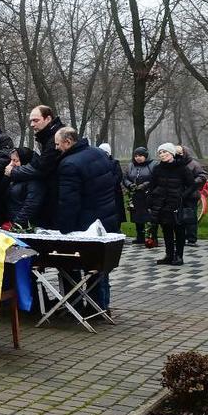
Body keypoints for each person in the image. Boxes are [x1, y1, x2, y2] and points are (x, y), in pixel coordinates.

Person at [54, 127, 121, 310]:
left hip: (85, 223)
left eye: (58, 144)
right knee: (99, 267)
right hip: (106, 218)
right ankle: (100, 307)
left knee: (78, 265)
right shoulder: (98, 153)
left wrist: (64, 230)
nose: (56, 148)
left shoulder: (69, 164)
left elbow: (69, 201)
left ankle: (76, 307)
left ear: (68, 142)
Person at [6, 105, 65, 227]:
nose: (32, 124)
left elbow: (41, 168)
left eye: (36, 120)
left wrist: (14, 172)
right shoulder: (48, 137)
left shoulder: (54, 139)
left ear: (48, 119)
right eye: (31, 121)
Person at [148, 143, 196, 266]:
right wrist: (153, 197)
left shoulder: (182, 168)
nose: (162, 155)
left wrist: (182, 196)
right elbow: (152, 185)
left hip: (176, 204)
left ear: (172, 153)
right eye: (160, 153)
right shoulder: (158, 168)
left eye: (165, 152)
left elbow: (192, 185)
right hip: (162, 204)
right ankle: (169, 255)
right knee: (166, 230)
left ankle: (179, 256)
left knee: (179, 230)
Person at [4, 147, 45, 228]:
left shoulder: (34, 181)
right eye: (11, 160)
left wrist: (16, 225)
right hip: (11, 221)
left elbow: (31, 206)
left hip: (24, 226)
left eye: (15, 161)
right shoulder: (16, 177)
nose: (11, 164)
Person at [123, 147, 156, 246]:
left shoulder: (153, 165)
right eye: (136, 156)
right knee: (137, 216)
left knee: (150, 216)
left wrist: (145, 185)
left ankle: (152, 238)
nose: (138, 158)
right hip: (135, 194)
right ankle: (140, 237)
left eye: (140, 156)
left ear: (146, 156)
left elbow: (155, 178)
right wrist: (130, 185)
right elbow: (125, 178)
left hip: (149, 194)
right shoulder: (131, 165)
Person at [177, 146, 206, 246]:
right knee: (178, 218)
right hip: (177, 195)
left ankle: (191, 239)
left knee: (190, 218)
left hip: (191, 195)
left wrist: (192, 182)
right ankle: (181, 237)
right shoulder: (175, 164)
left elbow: (202, 176)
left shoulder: (193, 164)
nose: (178, 155)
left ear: (185, 153)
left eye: (180, 153)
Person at [98, 143, 127, 227]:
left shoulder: (115, 163)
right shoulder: (97, 164)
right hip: (101, 193)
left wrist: (107, 184)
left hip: (114, 193)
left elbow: (118, 177)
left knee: (116, 213)